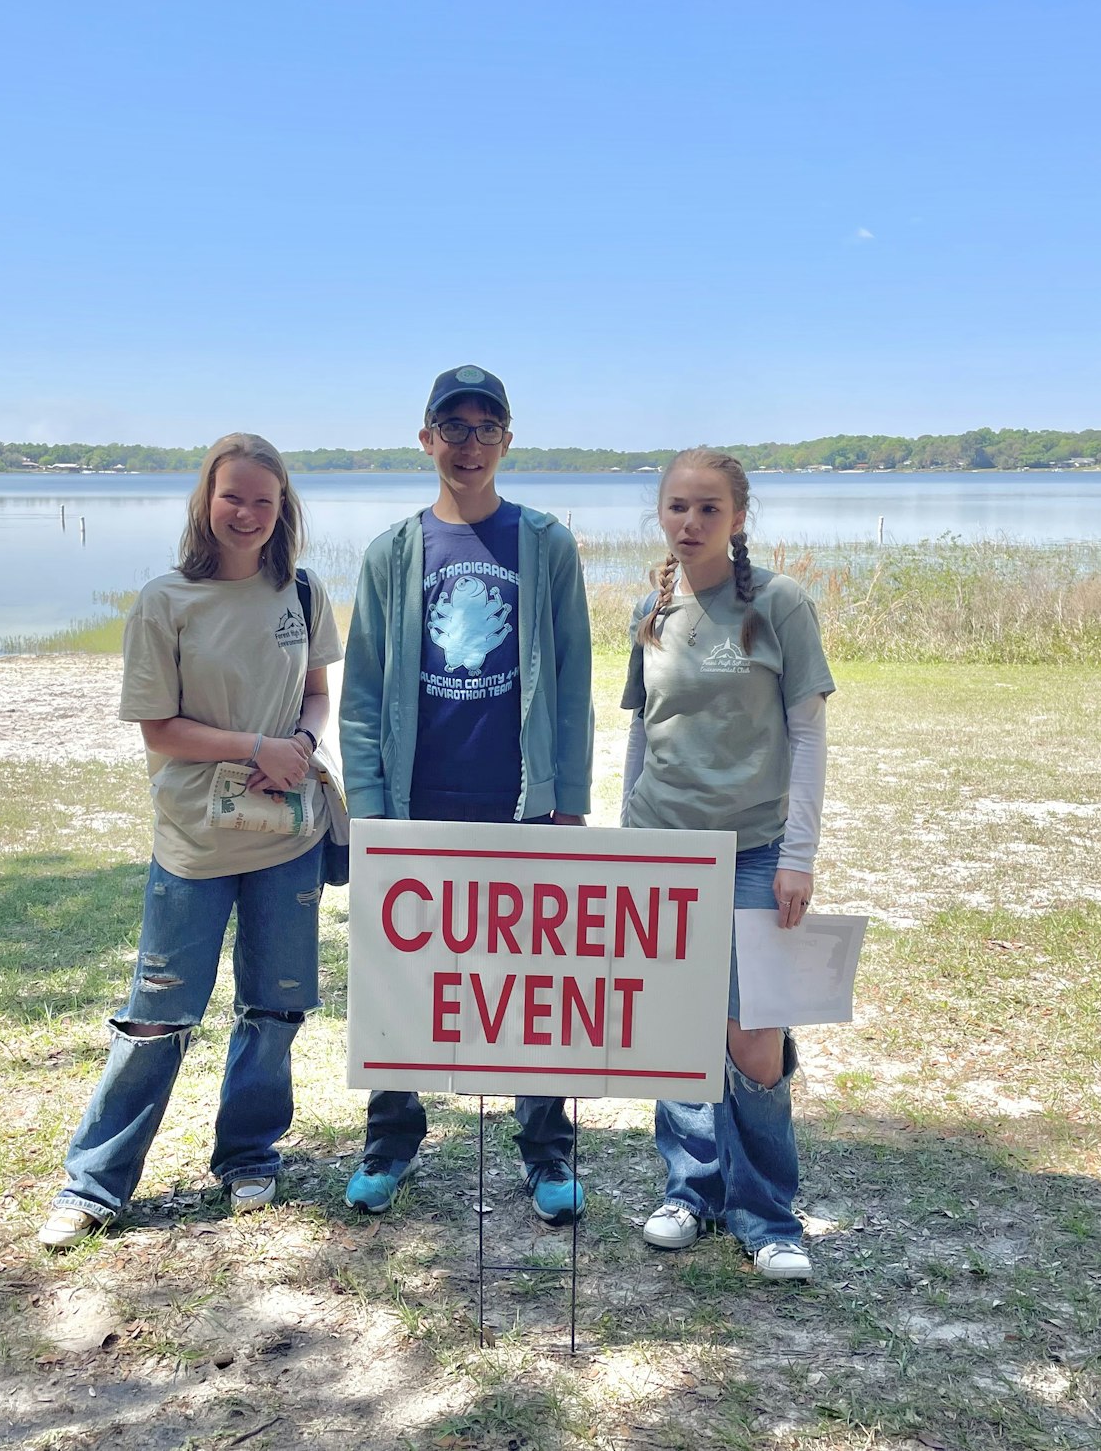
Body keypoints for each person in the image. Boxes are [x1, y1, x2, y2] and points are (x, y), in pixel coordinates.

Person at [37, 433, 342, 1248]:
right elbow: (159, 729)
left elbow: (316, 695)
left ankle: (249, 1157)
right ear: (206, 502)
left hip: (288, 836)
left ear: (283, 512)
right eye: (232, 497)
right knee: (158, 1015)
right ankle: (94, 1184)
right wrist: (254, 748)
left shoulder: (303, 593)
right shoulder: (164, 601)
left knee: (275, 1008)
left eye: (262, 501)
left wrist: (303, 749)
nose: (246, 514)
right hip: (193, 843)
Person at [338, 364, 595, 1222]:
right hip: (416, 801)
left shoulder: (546, 543)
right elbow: (365, 689)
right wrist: (369, 806)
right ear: (427, 439)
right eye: (454, 427)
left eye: (486, 428)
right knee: (402, 976)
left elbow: (572, 676)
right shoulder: (392, 552)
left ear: (507, 442)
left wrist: (568, 798)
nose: (469, 444)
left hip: (519, 799)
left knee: (530, 977)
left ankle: (547, 1152)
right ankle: (391, 1141)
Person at [619, 448, 835, 1281]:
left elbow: (809, 734)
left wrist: (799, 855)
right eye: (677, 507)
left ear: (738, 517)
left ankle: (769, 1214)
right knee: (678, 1027)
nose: (691, 523)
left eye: (709, 509)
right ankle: (692, 1187)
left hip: (753, 850)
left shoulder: (778, 606)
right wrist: (628, 832)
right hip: (663, 844)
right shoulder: (654, 607)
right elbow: (644, 731)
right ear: (661, 514)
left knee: (752, 1036)